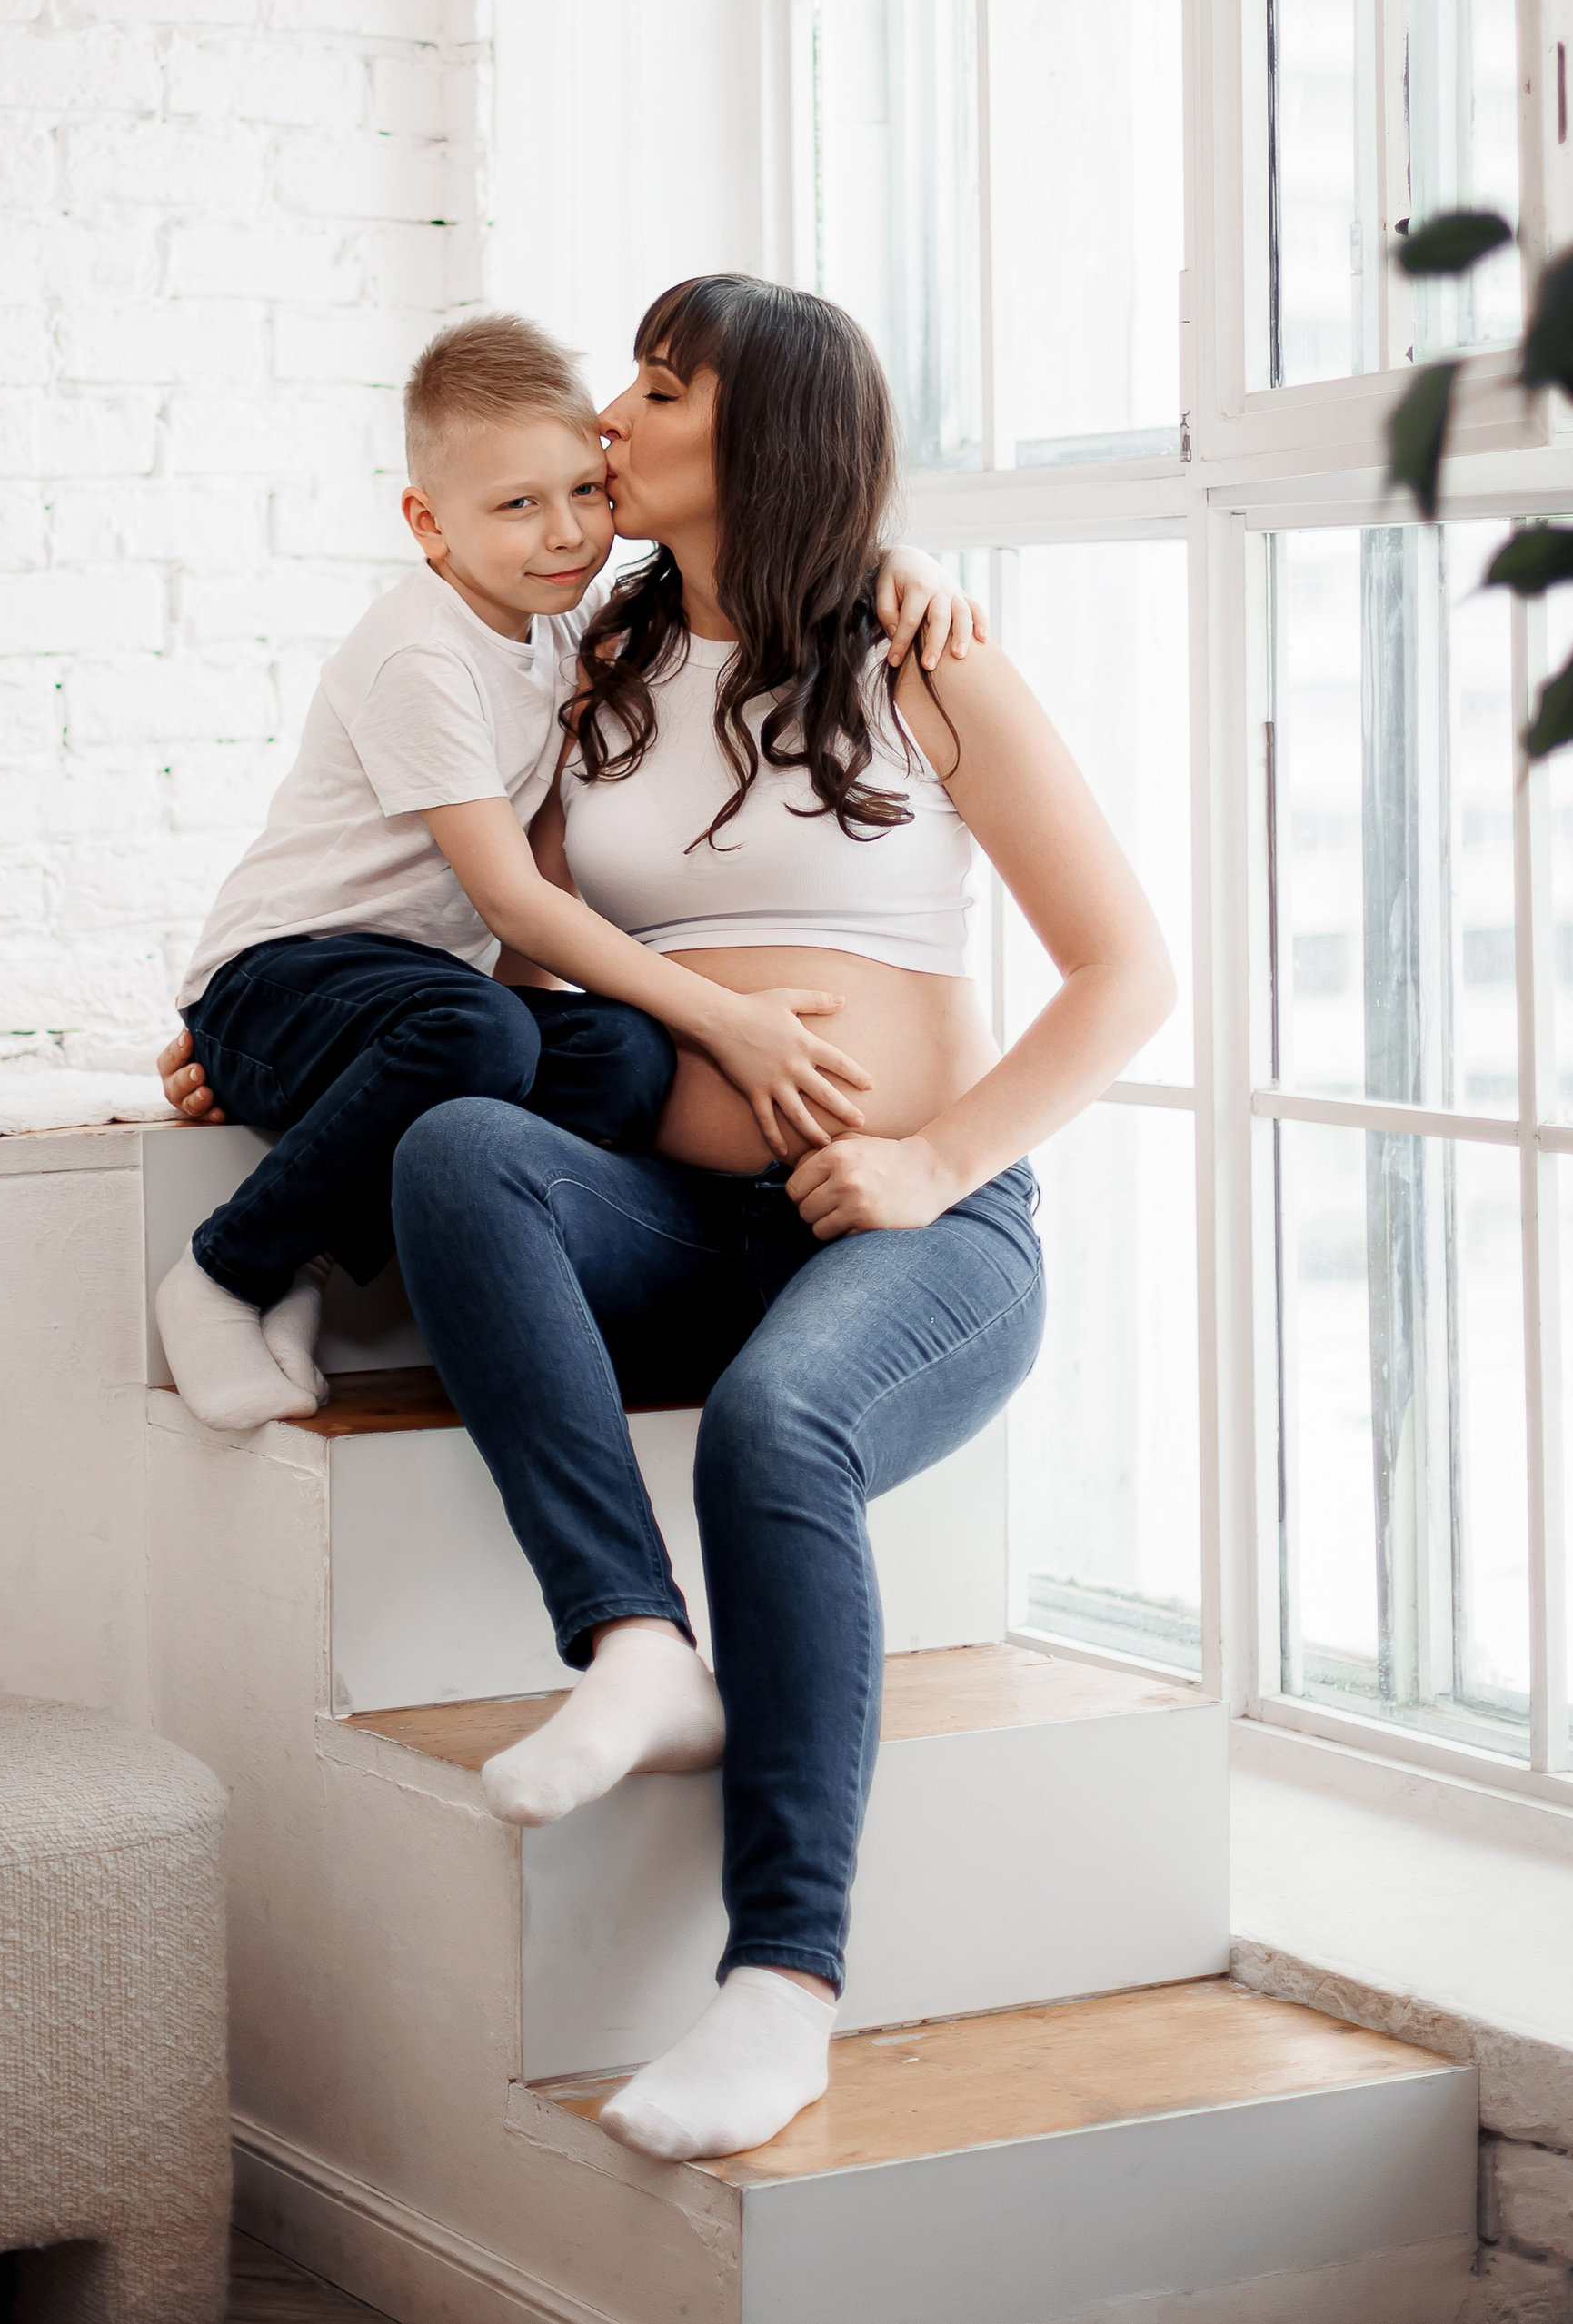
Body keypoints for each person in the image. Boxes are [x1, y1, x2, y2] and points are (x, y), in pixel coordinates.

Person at [373, 276, 1174, 2167]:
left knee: (773, 1424)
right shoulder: (600, 671)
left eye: (654, 390)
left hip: (920, 1247)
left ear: (766, 443)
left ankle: (780, 1988)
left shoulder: (922, 655)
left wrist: (927, 1161)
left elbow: (1125, 973)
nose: (605, 425)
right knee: (455, 1156)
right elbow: (498, 934)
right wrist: (259, 1032)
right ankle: (635, 1643)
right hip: (675, 1223)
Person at [153, 312, 980, 1435]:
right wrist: (728, 1022)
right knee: (486, 1036)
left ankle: (317, 1242)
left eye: (584, 493)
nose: (566, 535)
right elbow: (511, 902)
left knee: (626, 1056)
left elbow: (761, 558)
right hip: (285, 976)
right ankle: (228, 1269)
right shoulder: (417, 651)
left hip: (409, 995)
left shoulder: (571, 619)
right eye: (515, 507)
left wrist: (898, 562)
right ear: (426, 524)